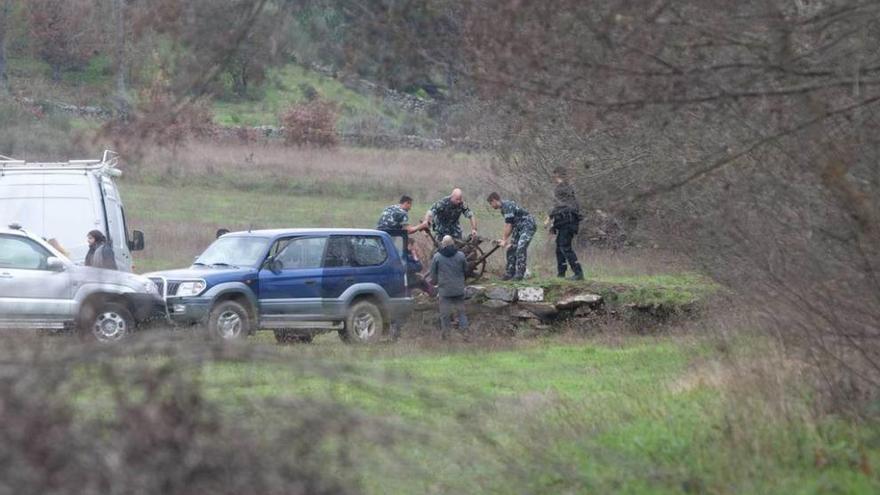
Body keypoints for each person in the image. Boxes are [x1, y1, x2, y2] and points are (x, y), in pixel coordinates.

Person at [487, 192, 536, 281]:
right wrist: (504, 240)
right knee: (511, 249)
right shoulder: (503, 209)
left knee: (521, 247)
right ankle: (509, 273)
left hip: (528, 225)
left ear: (494, 200)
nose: (491, 206)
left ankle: (520, 275)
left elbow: (508, 225)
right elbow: (510, 224)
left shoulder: (507, 206)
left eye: (491, 203)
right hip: (518, 228)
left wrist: (504, 240)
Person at [430, 235, 469, 340]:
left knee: (445, 314)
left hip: (445, 290)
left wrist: (435, 283)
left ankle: (446, 335)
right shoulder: (461, 255)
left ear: (443, 244)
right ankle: (465, 332)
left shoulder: (437, 256)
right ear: (453, 243)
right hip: (458, 290)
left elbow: (432, 275)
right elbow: (466, 270)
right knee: (461, 312)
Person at [549, 166, 584, 280]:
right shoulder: (567, 188)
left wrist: (550, 217)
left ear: (558, 175)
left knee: (565, 247)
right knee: (559, 247)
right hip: (566, 222)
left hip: (568, 222)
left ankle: (578, 273)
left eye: (555, 175)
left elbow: (559, 206)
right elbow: (559, 206)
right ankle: (561, 274)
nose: (554, 178)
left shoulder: (562, 189)